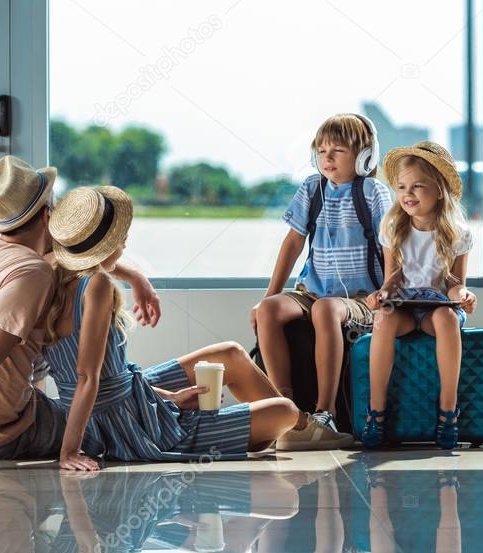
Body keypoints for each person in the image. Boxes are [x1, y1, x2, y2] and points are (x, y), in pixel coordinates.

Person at [0, 156, 161, 475]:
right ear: (47, 215)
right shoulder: (34, 273)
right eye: (55, 208)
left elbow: (73, 254)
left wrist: (135, 277)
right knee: (98, 421)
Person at [43, 185, 302, 470]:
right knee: (285, 412)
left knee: (230, 353)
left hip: (121, 402)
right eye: (118, 237)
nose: (126, 241)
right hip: (130, 427)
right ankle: (300, 430)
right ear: (101, 246)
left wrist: (171, 398)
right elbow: (87, 378)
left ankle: (291, 431)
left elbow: (96, 379)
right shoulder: (98, 285)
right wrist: (69, 451)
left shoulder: (49, 273)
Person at [251, 113, 393, 450]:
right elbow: (293, 242)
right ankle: (286, 410)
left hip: (360, 298)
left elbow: (392, 246)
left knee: (327, 310)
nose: (326, 158)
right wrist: (268, 296)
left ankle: (324, 414)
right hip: (310, 291)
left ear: (364, 157)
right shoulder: (311, 189)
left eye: (338, 151)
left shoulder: (373, 192)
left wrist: (388, 290)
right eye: (322, 150)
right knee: (270, 310)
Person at [360, 142, 477, 450]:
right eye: (402, 187)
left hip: (437, 308)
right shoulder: (394, 227)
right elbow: (393, 280)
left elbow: (454, 284)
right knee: (384, 319)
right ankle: (377, 412)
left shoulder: (457, 232)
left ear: (439, 190)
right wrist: (381, 295)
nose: (407, 194)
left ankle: (448, 411)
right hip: (405, 307)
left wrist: (463, 294)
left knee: (447, 317)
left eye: (417, 186)